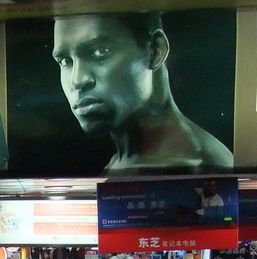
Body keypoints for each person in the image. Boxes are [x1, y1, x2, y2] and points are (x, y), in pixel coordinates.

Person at [52, 12, 233, 172]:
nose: (77, 80)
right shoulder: (123, 161)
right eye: (65, 61)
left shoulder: (199, 167)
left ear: (155, 51)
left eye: (101, 52)